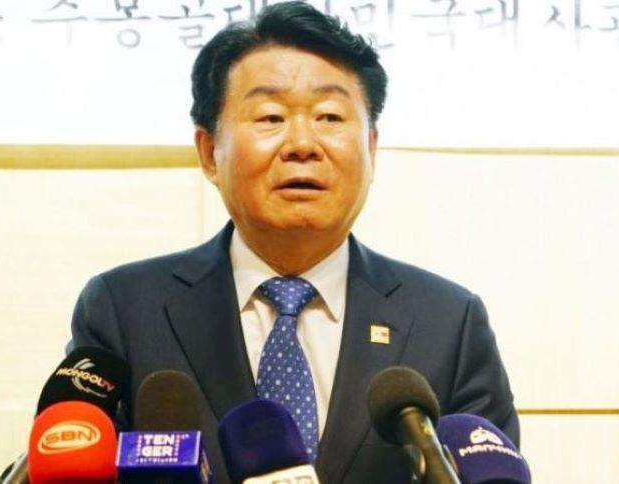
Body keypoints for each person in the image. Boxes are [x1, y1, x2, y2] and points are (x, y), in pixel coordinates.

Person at [70, 2, 518, 483]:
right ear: (209, 153)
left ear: (371, 147)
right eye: (270, 117)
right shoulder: (125, 310)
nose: (303, 144)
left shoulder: (448, 323)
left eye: (330, 116)